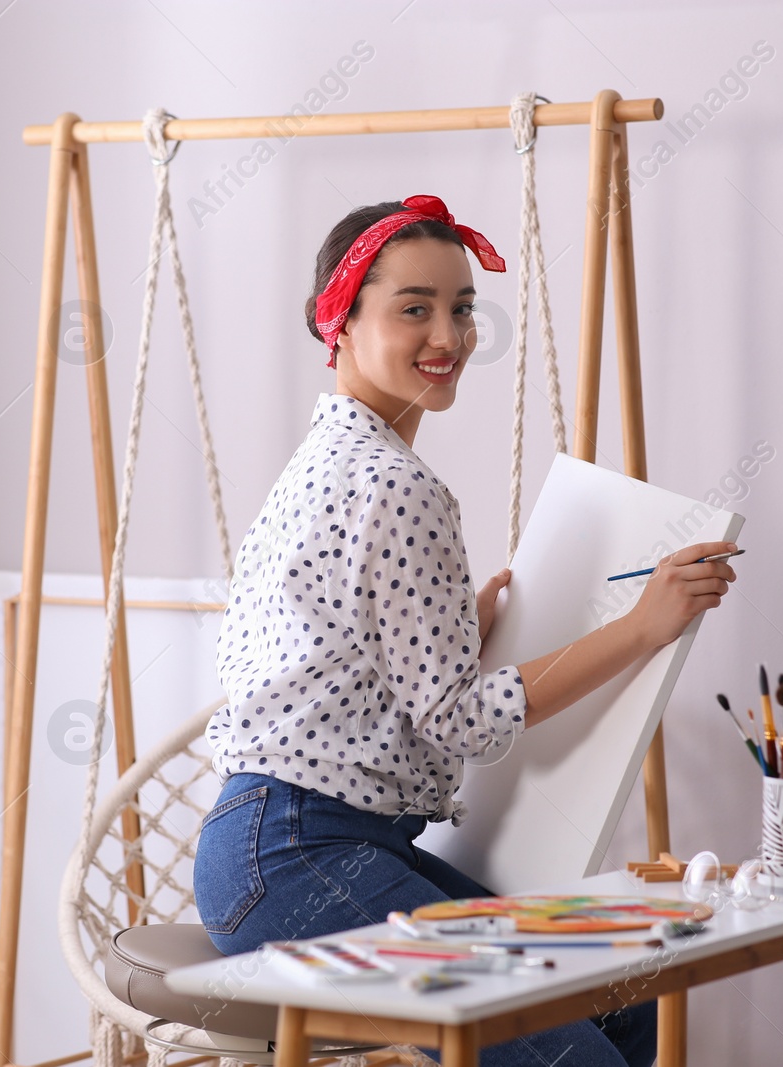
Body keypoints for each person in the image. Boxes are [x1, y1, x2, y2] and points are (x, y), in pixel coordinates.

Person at [192, 195, 738, 1066]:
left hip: (285, 847)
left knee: (623, 1010)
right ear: (339, 321)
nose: (448, 335)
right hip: (296, 855)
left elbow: (333, 661)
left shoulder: (329, 460)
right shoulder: (397, 484)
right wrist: (643, 626)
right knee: (577, 1056)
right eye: (414, 308)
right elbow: (462, 724)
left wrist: (457, 636)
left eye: (462, 307)